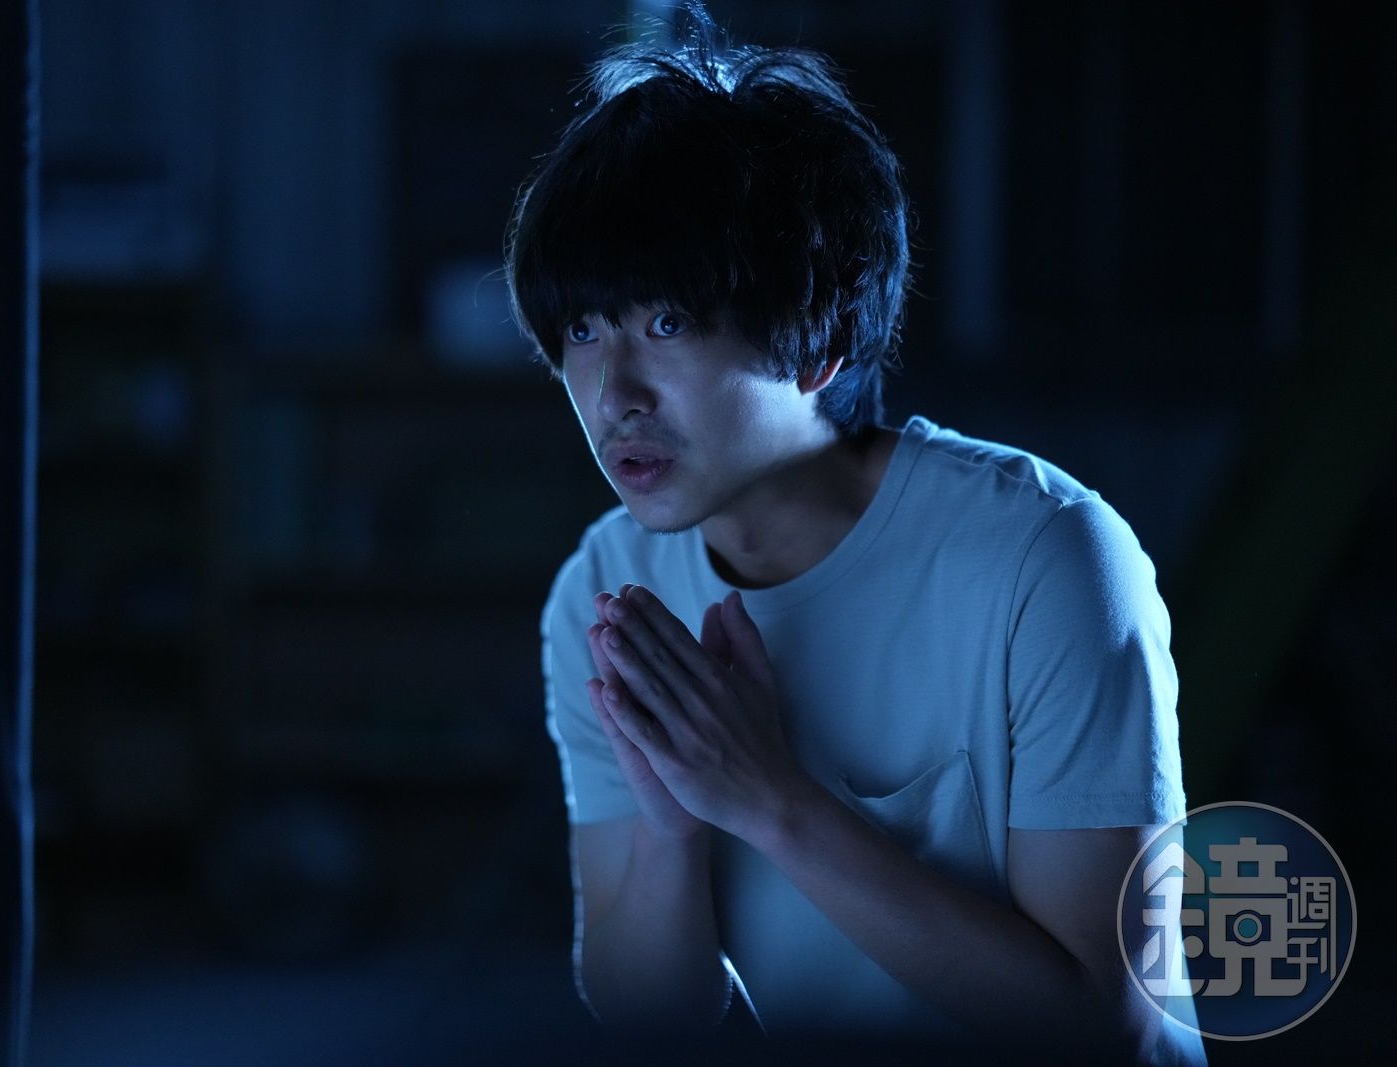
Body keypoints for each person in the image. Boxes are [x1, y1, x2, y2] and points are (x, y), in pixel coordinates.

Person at [504, 4, 1205, 1063]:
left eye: (667, 322)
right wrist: (671, 821)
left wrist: (768, 797)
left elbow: (1101, 1024)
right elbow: (651, 1014)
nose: (613, 393)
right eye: (584, 329)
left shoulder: (1046, 558)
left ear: (819, 341)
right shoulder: (604, 585)